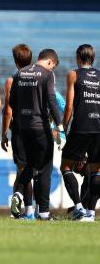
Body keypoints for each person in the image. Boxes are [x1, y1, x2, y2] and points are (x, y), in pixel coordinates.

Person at [9, 49, 63, 220]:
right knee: (45, 168)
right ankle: (44, 212)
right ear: (50, 62)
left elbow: (12, 102)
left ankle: (18, 192)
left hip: (22, 128)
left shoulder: (20, 73)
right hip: (40, 127)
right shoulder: (47, 75)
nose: (52, 69)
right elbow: (51, 100)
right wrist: (60, 125)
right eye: (53, 66)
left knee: (31, 165)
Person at [61, 44, 100, 222]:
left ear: (78, 57)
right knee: (95, 169)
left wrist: (64, 125)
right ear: (92, 58)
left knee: (66, 166)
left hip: (82, 126)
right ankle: (91, 213)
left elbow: (69, 105)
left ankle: (78, 208)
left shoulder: (74, 74)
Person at [1, 44, 35, 219]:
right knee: (32, 170)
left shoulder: (11, 80)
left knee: (22, 170)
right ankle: (30, 211)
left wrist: (4, 134)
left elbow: (8, 111)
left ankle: (20, 205)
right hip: (36, 130)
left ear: (15, 61)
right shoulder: (40, 77)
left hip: (19, 131)